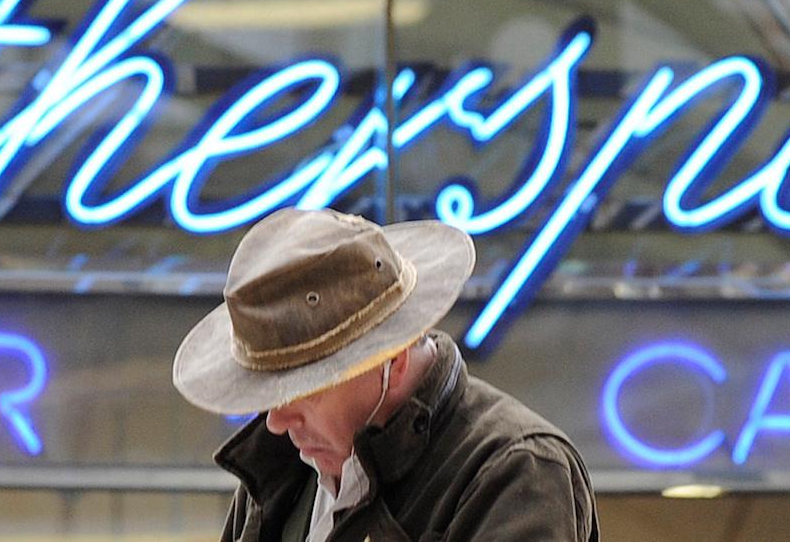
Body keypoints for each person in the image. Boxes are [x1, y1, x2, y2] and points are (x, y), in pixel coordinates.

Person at [173, 207, 600, 542]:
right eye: (268, 390)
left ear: (390, 358)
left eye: (304, 389)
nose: (277, 422)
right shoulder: (281, 475)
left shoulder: (515, 471)